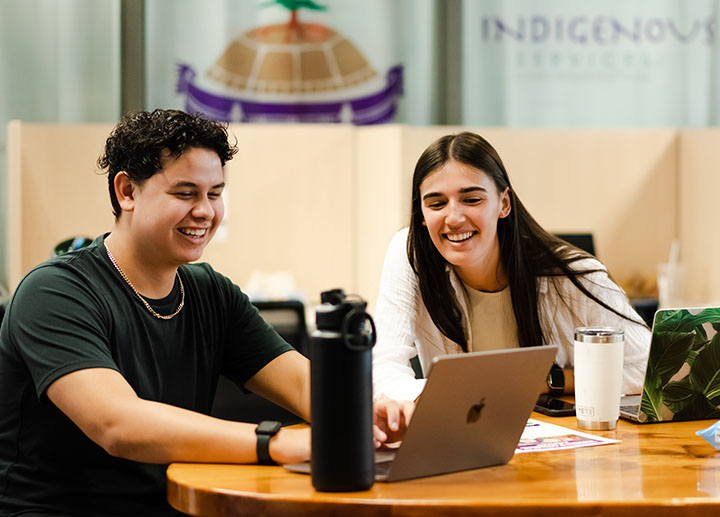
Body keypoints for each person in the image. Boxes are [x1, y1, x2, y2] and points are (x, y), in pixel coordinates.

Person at [0, 110, 312, 516]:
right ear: (127, 191)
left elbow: (304, 385)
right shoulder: (56, 291)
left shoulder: (209, 291)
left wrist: (371, 409)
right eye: (185, 193)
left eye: (215, 194)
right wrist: (275, 443)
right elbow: (118, 425)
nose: (205, 212)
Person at [372, 131, 650, 440]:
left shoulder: (573, 274)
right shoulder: (410, 253)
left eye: (472, 199)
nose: (453, 218)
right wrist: (424, 399)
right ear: (422, 215)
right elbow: (385, 366)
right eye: (436, 204)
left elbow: (649, 370)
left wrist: (547, 380)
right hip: (462, 445)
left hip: (559, 451)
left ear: (503, 203)